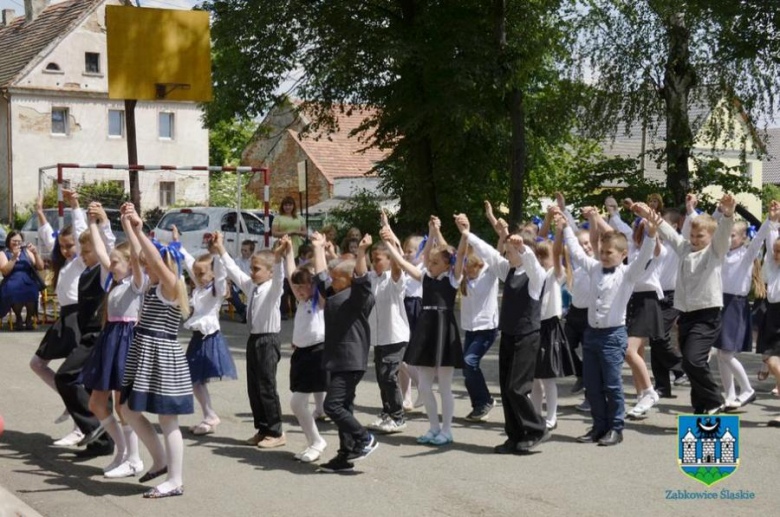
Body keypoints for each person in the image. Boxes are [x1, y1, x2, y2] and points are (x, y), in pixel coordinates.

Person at [560, 203, 657, 446]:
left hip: (613, 336)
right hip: (591, 334)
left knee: (612, 385)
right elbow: (575, 251)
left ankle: (615, 428)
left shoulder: (627, 274)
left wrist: (651, 236)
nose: (604, 256)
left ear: (622, 255)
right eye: (602, 251)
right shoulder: (594, 268)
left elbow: (644, 256)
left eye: (609, 253)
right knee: (593, 386)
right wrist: (564, 228)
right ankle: (598, 426)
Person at [634, 194, 737, 415]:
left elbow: (723, 234)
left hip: (707, 315)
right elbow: (668, 232)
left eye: (700, 236)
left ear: (710, 238)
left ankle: (714, 399)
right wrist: (648, 214)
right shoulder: (685, 249)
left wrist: (727, 214)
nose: (695, 239)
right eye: (692, 235)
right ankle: (701, 408)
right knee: (693, 363)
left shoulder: (714, 252)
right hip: (687, 315)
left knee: (692, 361)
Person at [458, 213, 549, 454]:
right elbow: (488, 252)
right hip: (508, 335)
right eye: (508, 251)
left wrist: (525, 250)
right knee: (506, 389)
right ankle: (515, 436)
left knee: (516, 388)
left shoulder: (534, 277)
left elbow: (534, 267)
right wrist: (467, 234)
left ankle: (536, 428)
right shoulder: (508, 270)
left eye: (510, 251)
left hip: (526, 337)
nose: (506, 255)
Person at [120, 203, 193, 499]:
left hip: (163, 356)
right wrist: (127, 224)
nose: (145, 267)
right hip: (145, 353)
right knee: (127, 409)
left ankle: (175, 479)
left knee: (168, 420)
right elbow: (140, 257)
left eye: (151, 264)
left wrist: (139, 229)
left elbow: (151, 257)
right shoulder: (151, 288)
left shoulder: (171, 286)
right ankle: (160, 460)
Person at [381, 216, 463, 447]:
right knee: (425, 386)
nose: (429, 264)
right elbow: (403, 262)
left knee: (445, 386)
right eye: (429, 262)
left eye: (435, 263)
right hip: (427, 331)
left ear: (447, 265)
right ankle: (434, 427)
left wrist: (445, 233)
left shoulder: (453, 279)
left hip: (444, 331)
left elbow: (460, 255)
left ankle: (447, 430)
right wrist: (388, 244)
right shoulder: (425, 277)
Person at [79, 214, 144, 478]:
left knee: (122, 405)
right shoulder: (115, 282)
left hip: (126, 340)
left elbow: (138, 256)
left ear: (130, 265)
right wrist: (92, 224)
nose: (110, 264)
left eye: (116, 262)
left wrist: (129, 227)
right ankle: (122, 450)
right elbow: (101, 252)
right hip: (111, 338)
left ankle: (134, 458)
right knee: (96, 402)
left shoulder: (136, 283)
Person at [311, 231, 378, 473]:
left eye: (337, 278)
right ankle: (345, 454)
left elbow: (361, 277)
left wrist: (362, 252)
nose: (332, 281)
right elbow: (320, 278)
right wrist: (318, 247)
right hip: (336, 360)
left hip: (350, 361)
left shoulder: (358, 297)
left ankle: (364, 438)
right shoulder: (336, 294)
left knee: (333, 406)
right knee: (344, 407)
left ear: (348, 280)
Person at [54, 202, 118, 459]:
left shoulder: (104, 272)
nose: (83, 255)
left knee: (66, 376)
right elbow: (84, 237)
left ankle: (95, 427)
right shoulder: (85, 271)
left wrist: (103, 223)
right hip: (86, 333)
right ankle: (102, 443)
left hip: (98, 335)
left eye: (87, 251)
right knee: (93, 387)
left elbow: (109, 248)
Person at [217, 231, 287, 449]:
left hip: (268, 340)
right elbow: (234, 271)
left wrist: (279, 257)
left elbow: (280, 278)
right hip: (254, 340)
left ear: (270, 271)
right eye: (252, 268)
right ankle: (263, 428)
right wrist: (220, 248)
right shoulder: (253, 286)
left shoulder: (273, 289)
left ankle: (276, 431)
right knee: (254, 387)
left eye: (256, 269)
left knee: (267, 386)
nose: (251, 272)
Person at [605, 197, 665, 419]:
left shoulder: (656, 251)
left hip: (648, 301)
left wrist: (649, 222)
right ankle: (641, 395)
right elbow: (617, 228)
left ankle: (650, 392)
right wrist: (613, 212)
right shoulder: (632, 250)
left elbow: (656, 240)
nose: (638, 233)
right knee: (637, 352)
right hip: (632, 301)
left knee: (629, 350)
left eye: (642, 231)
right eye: (636, 230)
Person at [710, 199, 772, 410]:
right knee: (720, 353)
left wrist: (770, 221)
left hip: (735, 305)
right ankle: (729, 395)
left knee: (726, 353)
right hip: (720, 303)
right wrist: (720, 212)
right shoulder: (720, 253)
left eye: (733, 236)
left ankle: (747, 389)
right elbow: (710, 228)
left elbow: (760, 239)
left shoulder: (746, 254)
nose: (728, 239)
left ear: (743, 238)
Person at [176, 229, 238, 436]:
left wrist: (219, 251)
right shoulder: (201, 287)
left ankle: (210, 415)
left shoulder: (216, 289)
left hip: (208, 338)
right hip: (198, 338)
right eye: (198, 274)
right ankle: (208, 415)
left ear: (211, 273)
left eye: (203, 274)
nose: (199, 277)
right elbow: (189, 264)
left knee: (194, 380)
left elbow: (220, 274)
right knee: (195, 380)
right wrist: (179, 244)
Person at [283, 236, 328, 463]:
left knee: (297, 403)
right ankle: (313, 441)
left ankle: (317, 441)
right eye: (297, 286)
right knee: (299, 403)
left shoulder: (319, 302)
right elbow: (291, 276)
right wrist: (289, 251)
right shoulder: (301, 301)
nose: (299, 290)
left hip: (317, 353)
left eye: (304, 285)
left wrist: (319, 249)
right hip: (301, 354)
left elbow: (323, 279)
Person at [366, 235, 410, 434]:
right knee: (381, 377)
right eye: (372, 259)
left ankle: (398, 417)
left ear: (389, 260)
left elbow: (398, 268)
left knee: (389, 376)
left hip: (394, 336)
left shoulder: (394, 280)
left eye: (378, 259)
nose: (374, 263)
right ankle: (387, 412)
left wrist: (392, 244)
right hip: (378, 336)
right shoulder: (371, 278)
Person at [531, 236, 575, 431]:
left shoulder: (555, 274)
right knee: (533, 378)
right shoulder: (533, 275)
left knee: (548, 377)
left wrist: (558, 231)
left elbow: (557, 257)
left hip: (549, 327)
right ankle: (534, 415)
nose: (540, 260)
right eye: (537, 256)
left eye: (544, 256)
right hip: (533, 327)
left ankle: (552, 416)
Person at [458, 240, 499, 423]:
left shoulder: (489, 273)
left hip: (486, 329)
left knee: (469, 361)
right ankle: (480, 404)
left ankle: (484, 401)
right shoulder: (464, 278)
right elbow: (454, 257)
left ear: (479, 265)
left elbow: (497, 253)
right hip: (470, 329)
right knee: (467, 368)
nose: (465, 271)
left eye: (469, 268)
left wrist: (498, 228)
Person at [650, 207, 687, 398]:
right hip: (655, 295)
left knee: (660, 337)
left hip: (671, 296)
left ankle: (681, 367)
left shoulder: (677, 244)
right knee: (655, 339)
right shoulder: (654, 242)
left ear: (673, 226)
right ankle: (662, 385)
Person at [758, 204, 780, 427]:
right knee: (770, 359)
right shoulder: (773, 267)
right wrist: (773, 221)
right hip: (774, 314)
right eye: (775, 251)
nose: (776, 255)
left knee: (773, 359)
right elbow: (770, 242)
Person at [0, 231, 44, 330]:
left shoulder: (27, 252)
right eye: (14, 241)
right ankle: (19, 318)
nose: (16, 243)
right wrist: (14, 257)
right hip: (11, 281)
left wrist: (36, 253)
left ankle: (29, 318)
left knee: (32, 291)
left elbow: (40, 267)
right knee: (14, 291)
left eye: (19, 241)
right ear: (8, 241)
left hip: (28, 281)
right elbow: (5, 271)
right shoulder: (3, 253)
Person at [228, 240, 256, 321]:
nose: (243, 252)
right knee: (230, 292)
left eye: (245, 250)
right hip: (238, 284)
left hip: (251, 284)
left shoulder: (255, 261)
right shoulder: (237, 261)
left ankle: (247, 313)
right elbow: (231, 274)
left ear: (251, 251)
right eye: (242, 250)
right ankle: (243, 310)